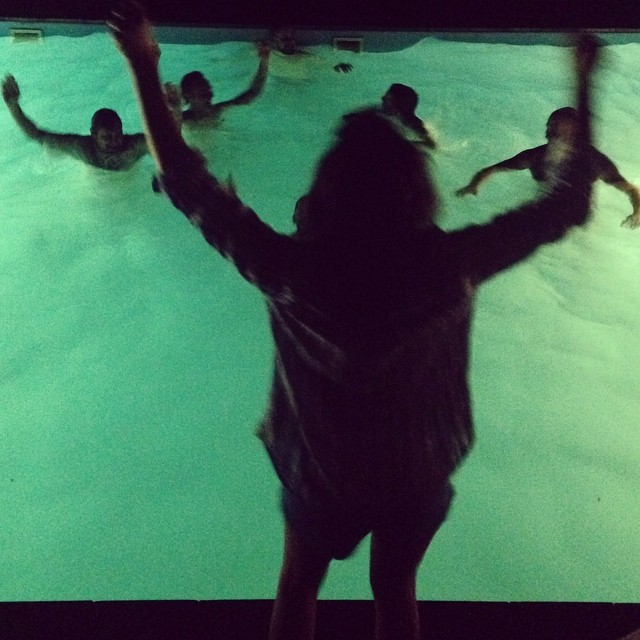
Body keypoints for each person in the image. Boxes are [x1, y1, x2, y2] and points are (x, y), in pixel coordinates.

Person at [108, 4, 598, 639]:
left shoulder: (290, 269)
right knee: (396, 591)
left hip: (322, 474)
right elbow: (566, 205)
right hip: (418, 471)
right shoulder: (449, 266)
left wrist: (143, 66)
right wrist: (584, 78)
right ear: (416, 194)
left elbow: (181, 178)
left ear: (325, 194)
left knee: (297, 590)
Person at [456, 105, 640, 228]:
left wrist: (637, 212)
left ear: (573, 134)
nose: (548, 133)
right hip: (545, 206)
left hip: (578, 215)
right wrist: (475, 184)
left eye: (556, 128)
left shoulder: (594, 161)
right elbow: (493, 169)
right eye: (549, 127)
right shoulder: (535, 157)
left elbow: (630, 189)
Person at [1, 74, 150, 171]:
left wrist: (174, 110)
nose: (115, 141)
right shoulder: (82, 148)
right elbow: (38, 135)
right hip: (95, 188)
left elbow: (167, 141)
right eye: (107, 137)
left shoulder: (134, 146)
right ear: (93, 134)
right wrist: (13, 105)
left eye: (118, 135)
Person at [179, 42, 271, 125]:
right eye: (203, 95)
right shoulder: (181, 120)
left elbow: (253, 92)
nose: (208, 99)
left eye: (209, 94)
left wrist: (264, 59)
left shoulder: (218, 111)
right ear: (188, 96)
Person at [270, 27, 354, 78]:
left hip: (303, 88)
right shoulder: (268, 55)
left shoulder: (304, 57)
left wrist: (337, 67)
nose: (289, 42)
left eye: (291, 38)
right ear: (274, 40)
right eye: (284, 39)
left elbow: (325, 65)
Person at [381, 82, 436, 149]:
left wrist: (400, 144)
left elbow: (431, 145)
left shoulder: (413, 123)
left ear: (396, 103)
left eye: (388, 98)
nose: (383, 98)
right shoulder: (379, 120)